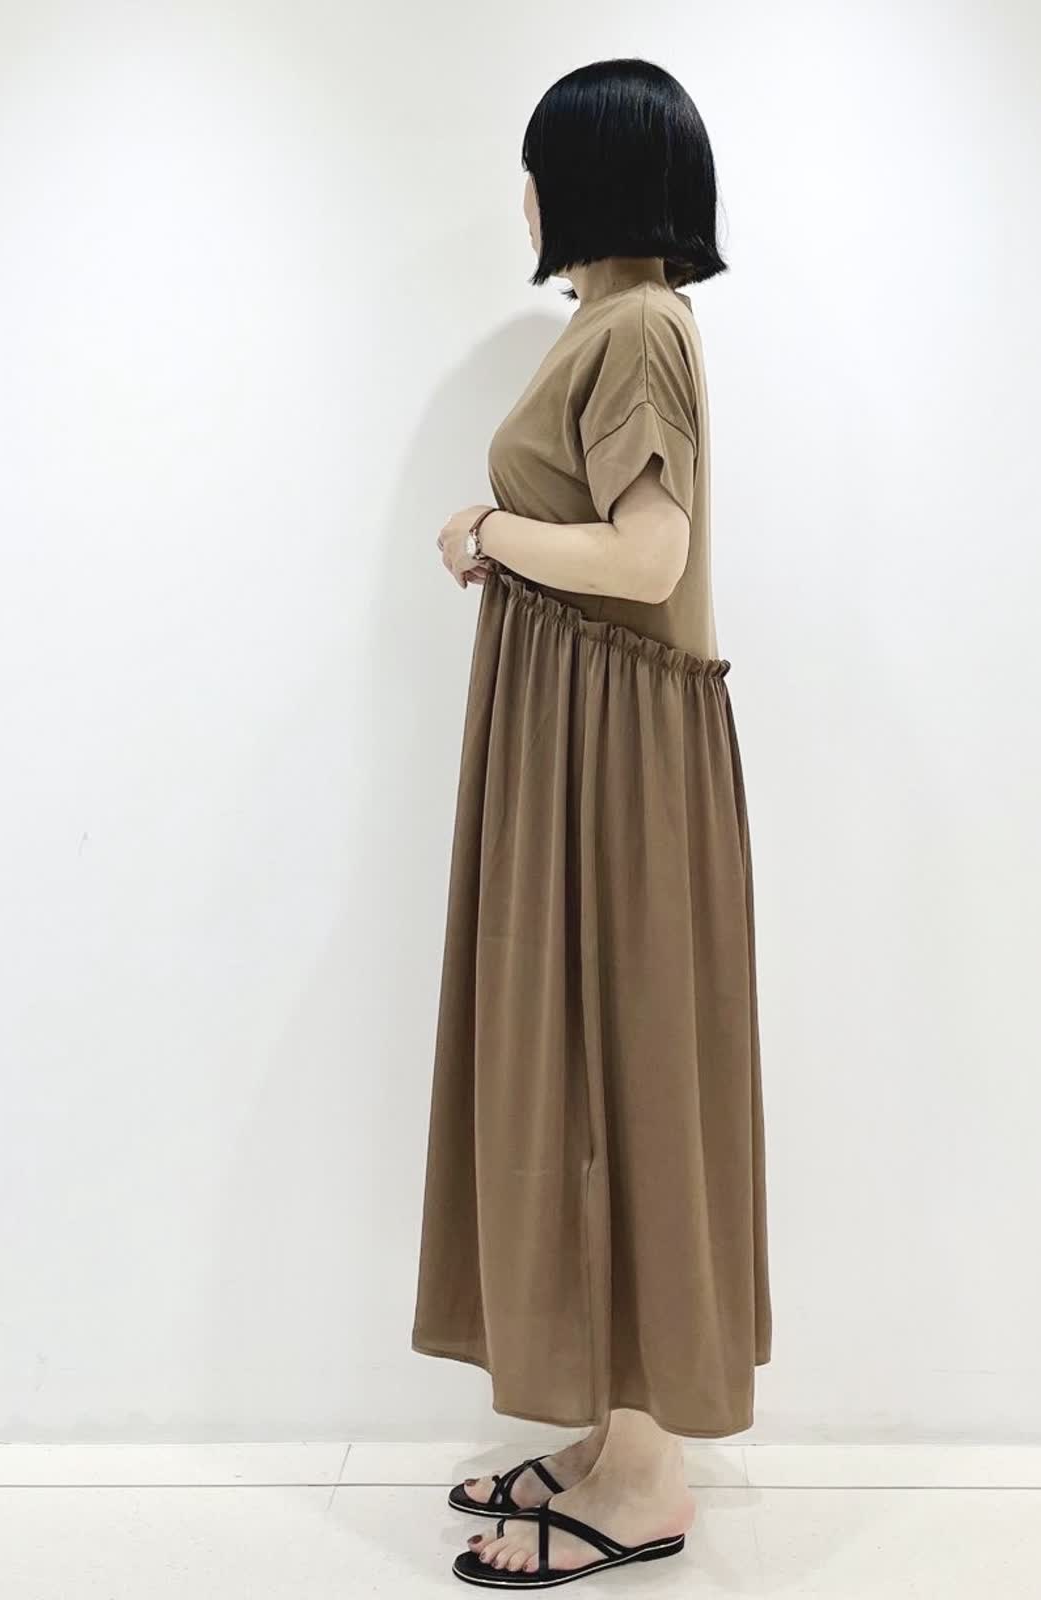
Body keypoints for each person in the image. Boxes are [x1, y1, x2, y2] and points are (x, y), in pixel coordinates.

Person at [413, 56, 771, 1589]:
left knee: (622, 1078)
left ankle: (644, 1480)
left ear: (593, 180)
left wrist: (491, 529)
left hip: (616, 757)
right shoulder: (614, 326)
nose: (524, 196)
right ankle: (613, 1437)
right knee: (589, 1076)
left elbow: (647, 555)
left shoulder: (639, 331)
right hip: (588, 743)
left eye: (539, 166)